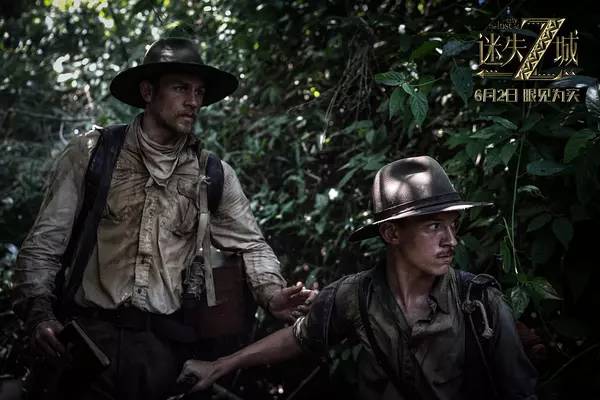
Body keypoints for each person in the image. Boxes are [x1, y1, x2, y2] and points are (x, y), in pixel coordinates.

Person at [12, 37, 315, 400]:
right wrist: (40, 314)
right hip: (86, 341)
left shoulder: (212, 174)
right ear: (147, 91)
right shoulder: (94, 154)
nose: (193, 101)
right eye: (180, 88)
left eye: (199, 92)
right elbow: (44, 245)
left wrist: (271, 293)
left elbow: (251, 246)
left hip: (162, 352)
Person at [178, 156, 539, 400]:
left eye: (452, 225)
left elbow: (521, 392)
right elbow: (298, 338)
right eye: (434, 226)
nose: (451, 241)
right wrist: (219, 366)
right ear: (392, 234)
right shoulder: (356, 296)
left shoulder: (478, 303)